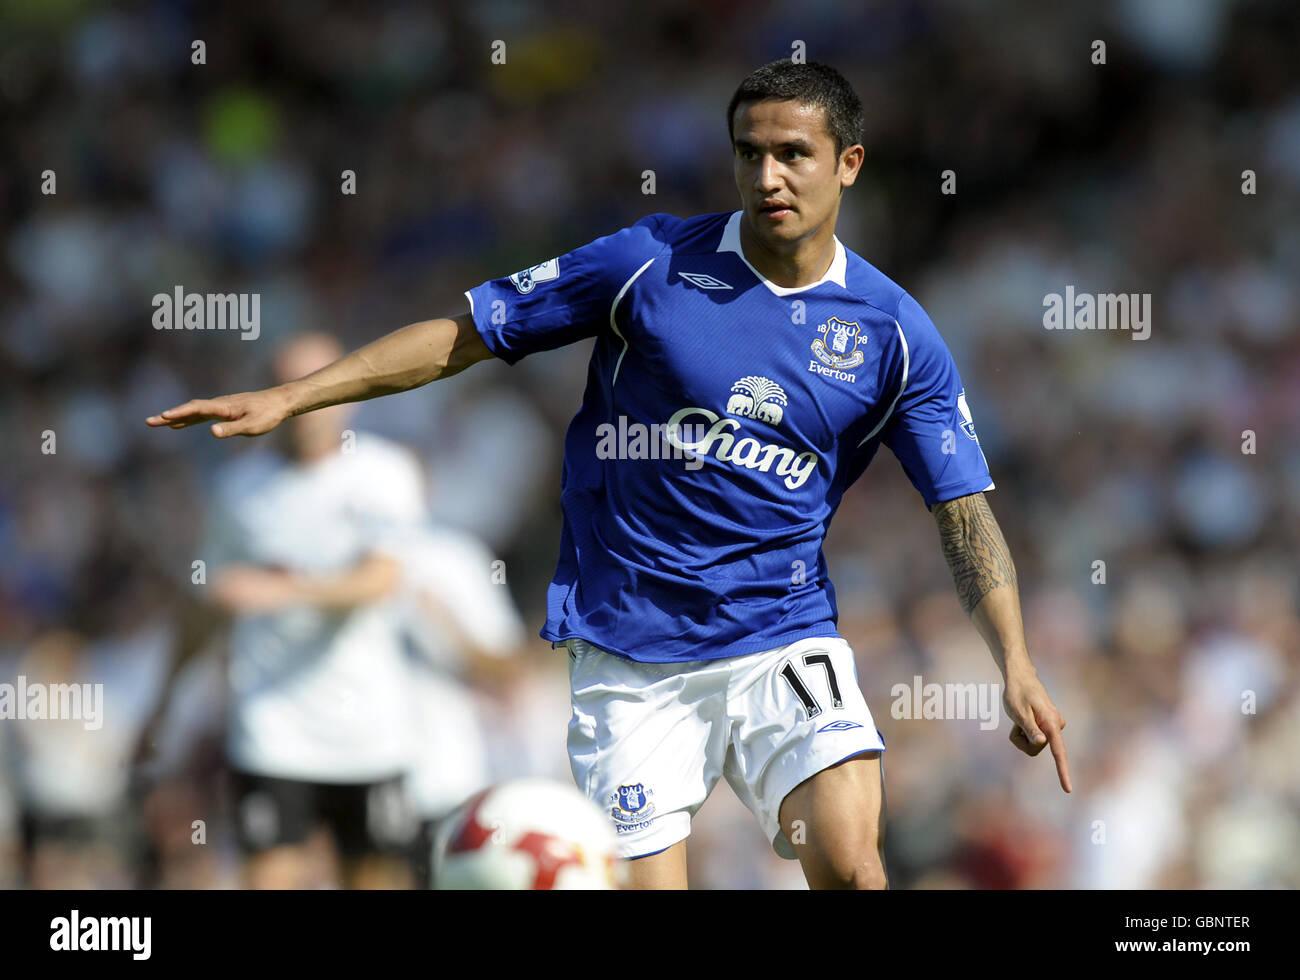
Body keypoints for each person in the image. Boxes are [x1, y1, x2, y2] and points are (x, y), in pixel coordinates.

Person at [146, 60, 1070, 890]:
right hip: (630, 655)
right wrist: (294, 397)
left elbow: (961, 510)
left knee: (852, 864)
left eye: (794, 154)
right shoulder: (651, 264)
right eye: (750, 154)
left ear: (850, 164)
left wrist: (1015, 662)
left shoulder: (895, 332)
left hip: (780, 636)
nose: (768, 177)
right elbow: (466, 336)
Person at [138, 332, 424, 888]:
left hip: (368, 729)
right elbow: (209, 601)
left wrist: (283, 591)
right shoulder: (239, 489)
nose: (306, 402)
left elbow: (382, 580)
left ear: (352, 395)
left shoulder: (383, 473)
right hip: (271, 729)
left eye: (319, 385)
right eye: (289, 384)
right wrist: (164, 699)